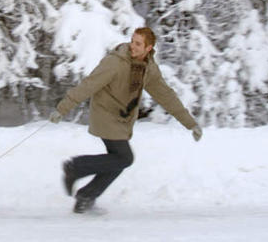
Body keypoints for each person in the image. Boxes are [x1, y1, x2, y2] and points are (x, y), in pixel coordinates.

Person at [50, 27, 202, 213]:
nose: (133, 46)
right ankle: (76, 168)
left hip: (122, 118)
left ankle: (86, 196)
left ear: (149, 48)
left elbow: (166, 96)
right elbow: (89, 84)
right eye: (132, 41)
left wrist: (190, 123)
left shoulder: (148, 68)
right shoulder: (115, 62)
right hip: (105, 114)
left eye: (138, 43)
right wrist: (63, 108)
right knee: (124, 158)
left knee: (119, 160)